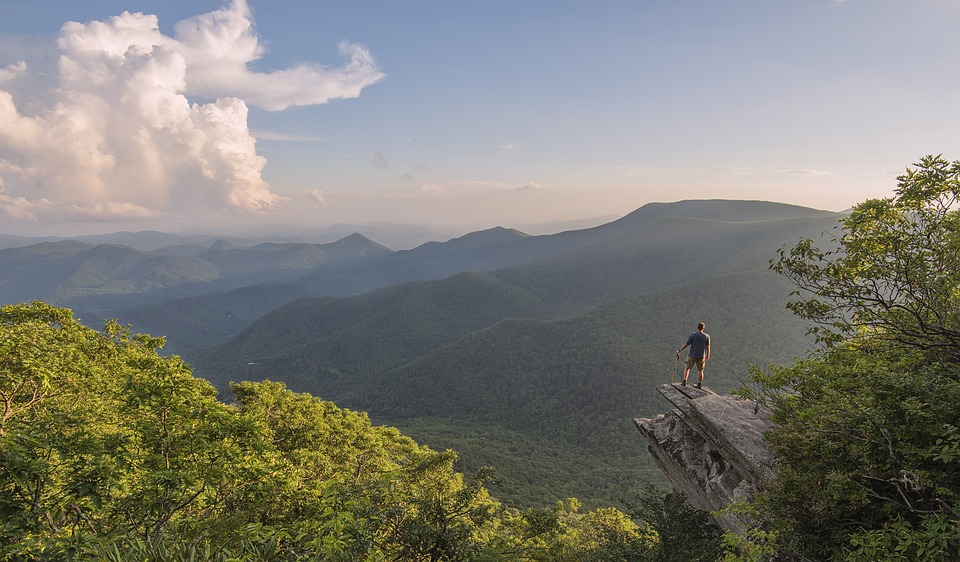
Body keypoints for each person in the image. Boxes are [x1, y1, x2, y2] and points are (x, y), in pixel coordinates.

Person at [676, 322, 710, 389]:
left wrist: (679, 350)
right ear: (703, 328)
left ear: (697, 328)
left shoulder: (693, 335)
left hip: (692, 355)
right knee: (700, 370)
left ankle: (684, 381)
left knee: (687, 368)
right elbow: (708, 347)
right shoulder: (707, 336)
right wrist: (707, 355)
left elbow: (686, 344)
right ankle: (699, 384)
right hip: (702, 356)